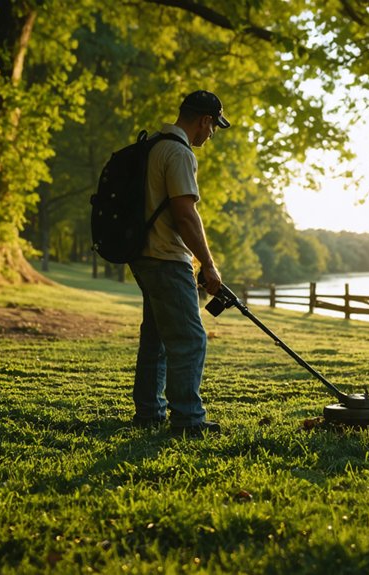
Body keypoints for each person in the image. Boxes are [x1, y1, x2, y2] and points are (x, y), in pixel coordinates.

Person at [128, 90, 230, 436]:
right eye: (213, 126)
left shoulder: (155, 145)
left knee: (156, 337)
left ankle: (149, 413)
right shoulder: (179, 152)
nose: (211, 134)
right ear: (204, 120)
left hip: (144, 255)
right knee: (190, 338)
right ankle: (187, 420)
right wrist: (209, 265)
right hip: (167, 258)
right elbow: (186, 215)